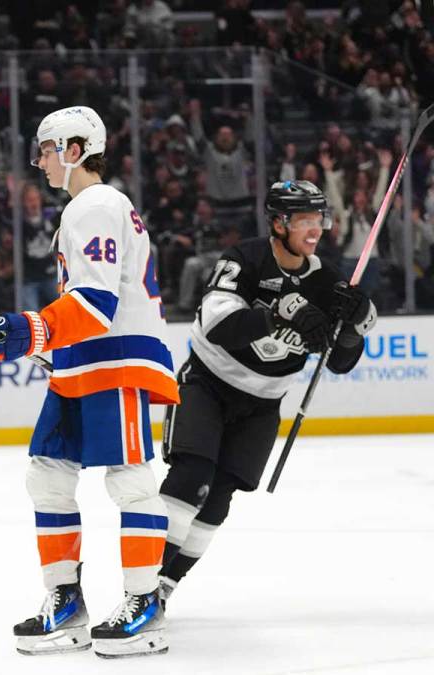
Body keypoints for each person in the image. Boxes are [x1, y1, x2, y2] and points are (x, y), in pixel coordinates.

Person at [0, 106, 179, 658]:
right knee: (47, 473)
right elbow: (86, 307)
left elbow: (95, 303)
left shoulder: (95, 204)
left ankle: (145, 606)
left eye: (44, 149)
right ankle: (65, 601)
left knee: (132, 481)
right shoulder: (87, 208)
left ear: (73, 149)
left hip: (116, 360)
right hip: (86, 361)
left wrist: (32, 328)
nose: (38, 161)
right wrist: (38, 337)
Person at [156, 180, 375, 601]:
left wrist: (352, 329)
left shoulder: (326, 282)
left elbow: (341, 363)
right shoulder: (245, 260)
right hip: (208, 384)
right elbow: (221, 328)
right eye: (305, 221)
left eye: (319, 220)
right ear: (278, 223)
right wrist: (278, 313)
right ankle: (143, 581)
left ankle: (166, 585)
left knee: (220, 494)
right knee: (191, 476)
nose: (315, 230)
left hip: (263, 403)